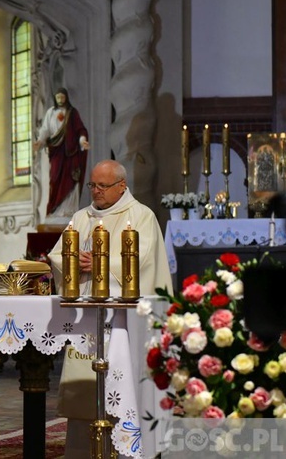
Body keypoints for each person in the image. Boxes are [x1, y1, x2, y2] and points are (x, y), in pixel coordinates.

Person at [47, 159, 172, 459]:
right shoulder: (81, 217)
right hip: (87, 317)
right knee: (85, 389)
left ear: (122, 186)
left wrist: (100, 263)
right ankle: (81, 451)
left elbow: (144, 261)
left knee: (122, 382)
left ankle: (127, 448)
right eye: (93, 185)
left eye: (103, 186)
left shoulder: (141, 216)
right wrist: (76, 262)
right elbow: (57, 255)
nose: (96, 191)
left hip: (123, 319)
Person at [35, 88, 90, 219]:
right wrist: (40, 141)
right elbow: (45, 130)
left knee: (70, 180)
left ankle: (69, 211)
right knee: (55, 179)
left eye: (62, 97)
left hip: (71, 153)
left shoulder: (72, 113)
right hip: (56, 152)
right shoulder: (50, 112)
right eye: (58, 97)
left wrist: (82, 141)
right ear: (55, 98)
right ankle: (55, 211)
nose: (60, 100)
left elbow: (80, 129)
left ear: (66, 98)